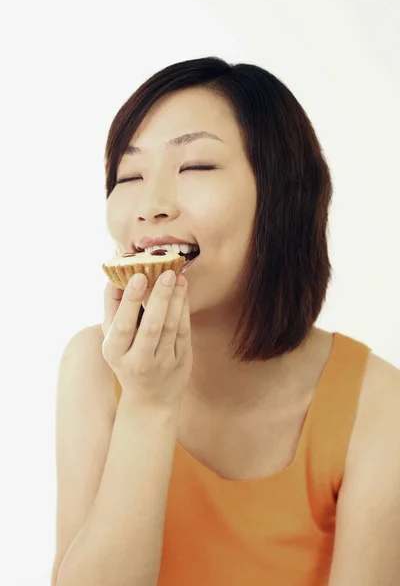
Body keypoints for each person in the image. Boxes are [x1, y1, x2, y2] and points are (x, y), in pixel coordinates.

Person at [52, 57, 400, 586]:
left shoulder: (378, 405)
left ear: (281, 196)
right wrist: (147, 405)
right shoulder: (95, 369)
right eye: (129, 174)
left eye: (195, 168)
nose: (151, 206)